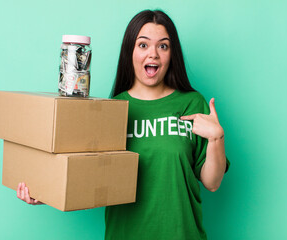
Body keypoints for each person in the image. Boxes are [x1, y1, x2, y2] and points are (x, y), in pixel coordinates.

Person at [18, 9, 230, 240]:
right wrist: (45, 190)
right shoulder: (110, 110)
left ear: (172, 54)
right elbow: (86, 177)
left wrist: (216, 139)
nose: (153, 55)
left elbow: (212, 182)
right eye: (143, 45)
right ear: (130, 51)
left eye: (163, 46)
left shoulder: (192, 103)